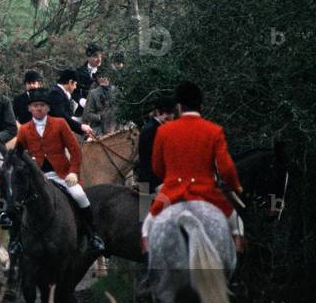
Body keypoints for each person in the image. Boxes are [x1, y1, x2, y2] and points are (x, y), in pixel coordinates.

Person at [141, 82, 245, 254]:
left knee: (146, 227)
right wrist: (236, 186)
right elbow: (226, 168)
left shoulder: (165, 131)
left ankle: (149, 259)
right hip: (204, 191)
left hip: (172, 189)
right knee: (237, 224)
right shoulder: (214, 130)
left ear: (179, 107)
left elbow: (157, 166)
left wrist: (170, 179)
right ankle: (235, 263)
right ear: (201, 106)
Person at [14, 88, 106, 253]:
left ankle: (93, 235)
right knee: (17, 203)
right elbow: (18, 156)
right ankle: (16, 241)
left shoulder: (60, 124)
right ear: (29, 108)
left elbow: (75, 150)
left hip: (62, 175)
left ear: (48, 108)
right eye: (35, 105)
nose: (39, 108)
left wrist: (73, 171)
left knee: (80, 196)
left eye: (42, 105)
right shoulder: (24, 130)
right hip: (37, 178)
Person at [136, 95, 177, 193]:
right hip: (151, 181)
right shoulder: (150, 130)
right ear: (158, 112)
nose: (171, 116)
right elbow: (154, 160)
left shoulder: (162, 127)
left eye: (172, 113)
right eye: (168, 113)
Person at [49, 68, 94, 138]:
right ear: (70, 82)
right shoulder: (56, 93)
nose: (75, 87)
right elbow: (61, 116)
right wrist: (80, 127)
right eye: (75, 84)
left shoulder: (60, 92)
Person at [83, 66, 119, 136]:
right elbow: (88, 114)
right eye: (99, 76)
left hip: (116, 124)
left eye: (104, 76)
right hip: (99, 126)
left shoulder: (116, 91)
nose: (102, 78)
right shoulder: (93, 93)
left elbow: (122, 109)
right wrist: (100, 117)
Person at [74, 42, 104, 112]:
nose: (99, 59)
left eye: (100, 56)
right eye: (95, 56)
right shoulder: (78, 72)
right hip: (81, 110)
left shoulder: (106, 73)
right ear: (88, 57)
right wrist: (81, 100)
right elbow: (73, 92)